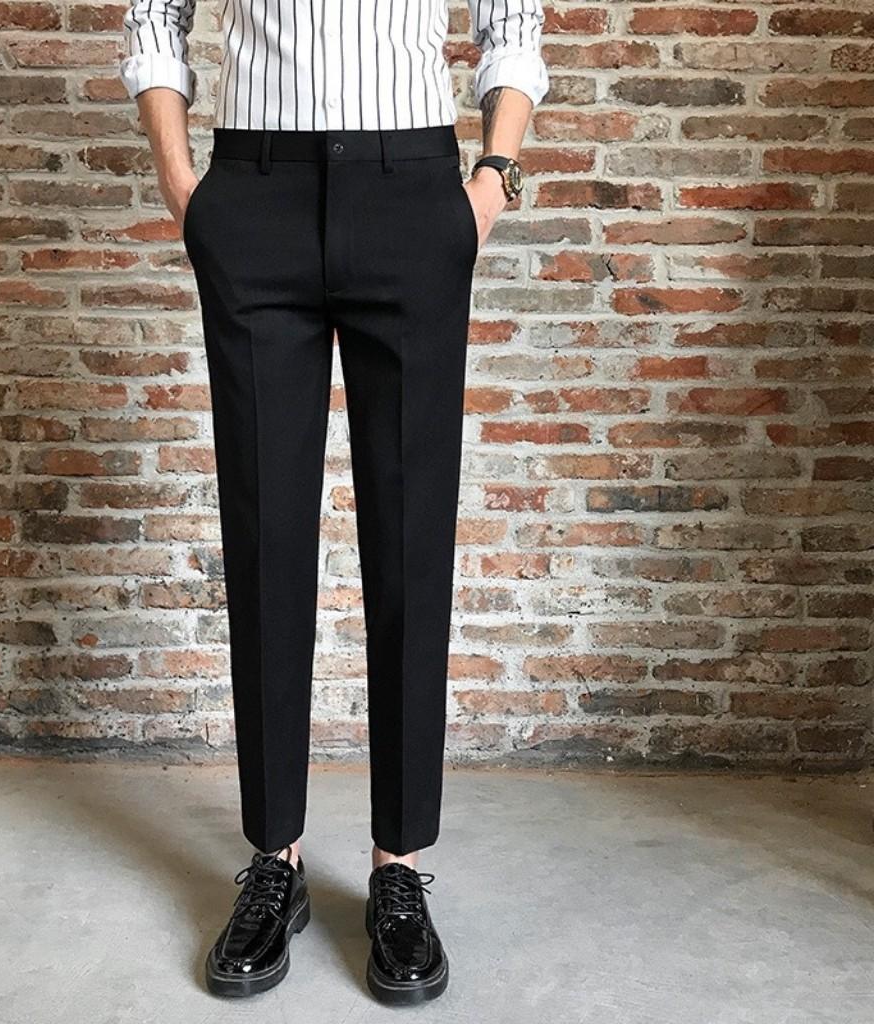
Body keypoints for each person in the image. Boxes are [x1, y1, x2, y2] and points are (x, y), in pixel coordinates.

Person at [119, 0, 548, 1004]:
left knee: (410, 538)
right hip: (254, 192)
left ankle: (398, 868)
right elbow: (153, 14)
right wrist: (181, 182)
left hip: (412, 192)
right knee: (264, 536)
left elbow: (512, 21)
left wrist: (490, 179)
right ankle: (275, 859)